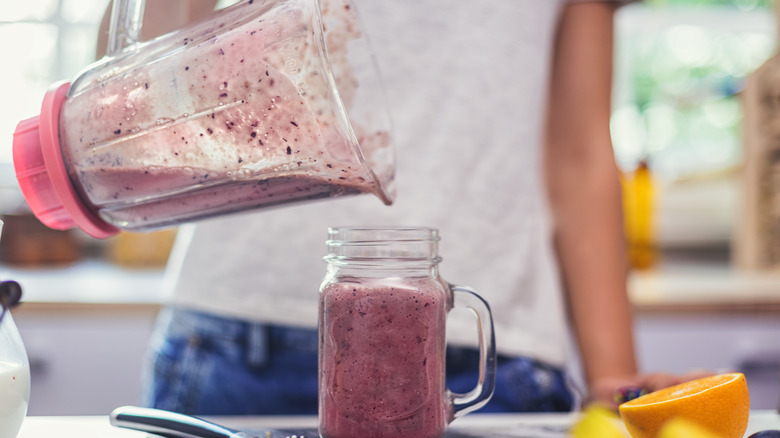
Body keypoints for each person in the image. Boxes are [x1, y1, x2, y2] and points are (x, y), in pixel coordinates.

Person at [99, 0, 705, 415]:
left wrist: (615, 383)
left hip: (489, 360)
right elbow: (123, 88)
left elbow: (578, 156)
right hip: (240, 342)